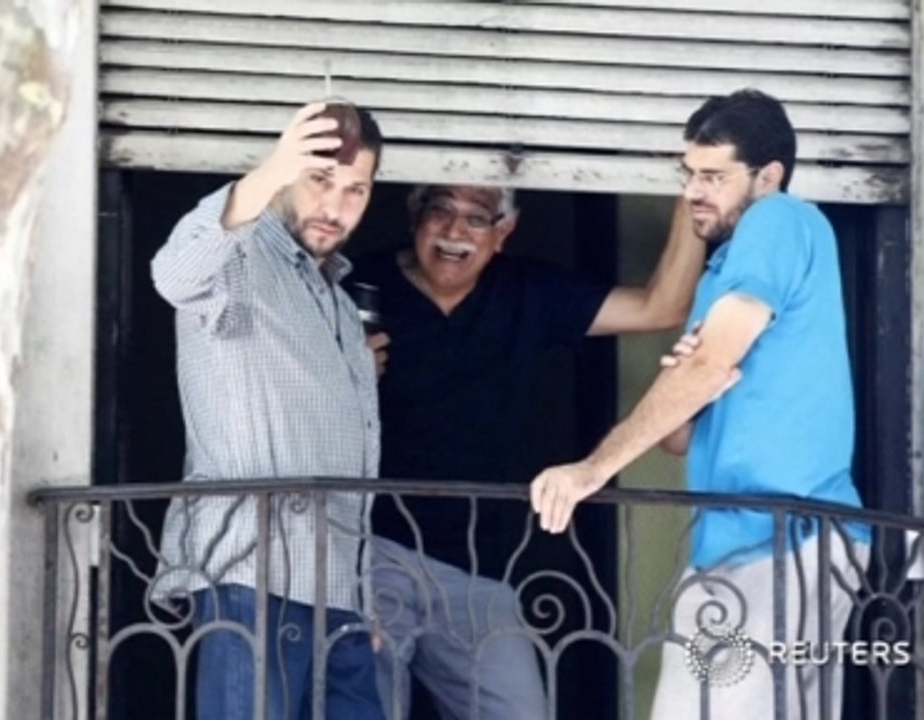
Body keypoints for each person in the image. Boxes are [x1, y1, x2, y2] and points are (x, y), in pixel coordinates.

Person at [528, 88, 872, 720]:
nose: (693, 191)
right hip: (734, 546)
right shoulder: (722, 272)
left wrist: (590, 470)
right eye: (688, 174)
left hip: (785, 537)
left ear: (768, 177)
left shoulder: (780, 219)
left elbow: (713, 365)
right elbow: (681, 438)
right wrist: (691, 382)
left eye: (714, 176)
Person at [347, 182, 707, 719]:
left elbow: (661, 306)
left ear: (503, 233)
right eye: (440, 211)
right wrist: (342, 367)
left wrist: (691, 196)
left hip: (482, 569)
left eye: (476, 218)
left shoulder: (527, 290)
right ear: (414, 216)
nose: (453, 231)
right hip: (372, 552)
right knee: (360, 709)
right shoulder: (357, 285)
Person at [148, 101, 389, 720]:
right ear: (286, 173)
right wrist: (268, 171)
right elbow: (172, 274)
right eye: (319, 180)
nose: (336, 208)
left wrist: (364, 594)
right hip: (252, 578)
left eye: (355, 190)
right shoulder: (240, 256)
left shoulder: (336, 298)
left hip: (339, 592)